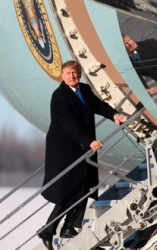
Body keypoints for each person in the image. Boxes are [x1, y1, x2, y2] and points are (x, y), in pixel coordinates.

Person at [37, 60, 126, 250]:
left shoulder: (84, 90)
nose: (72, 76)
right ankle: (49, 229)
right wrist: (89, 141)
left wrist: (114, 115)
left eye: (75, 73)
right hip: (64, 149)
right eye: (68, 73)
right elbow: (69, 124)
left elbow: (99, 106)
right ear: (62, 75)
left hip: (82, 146)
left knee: (84, 186)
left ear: (80, 74)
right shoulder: (59, 96)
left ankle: (69, 227)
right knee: (68, 188)